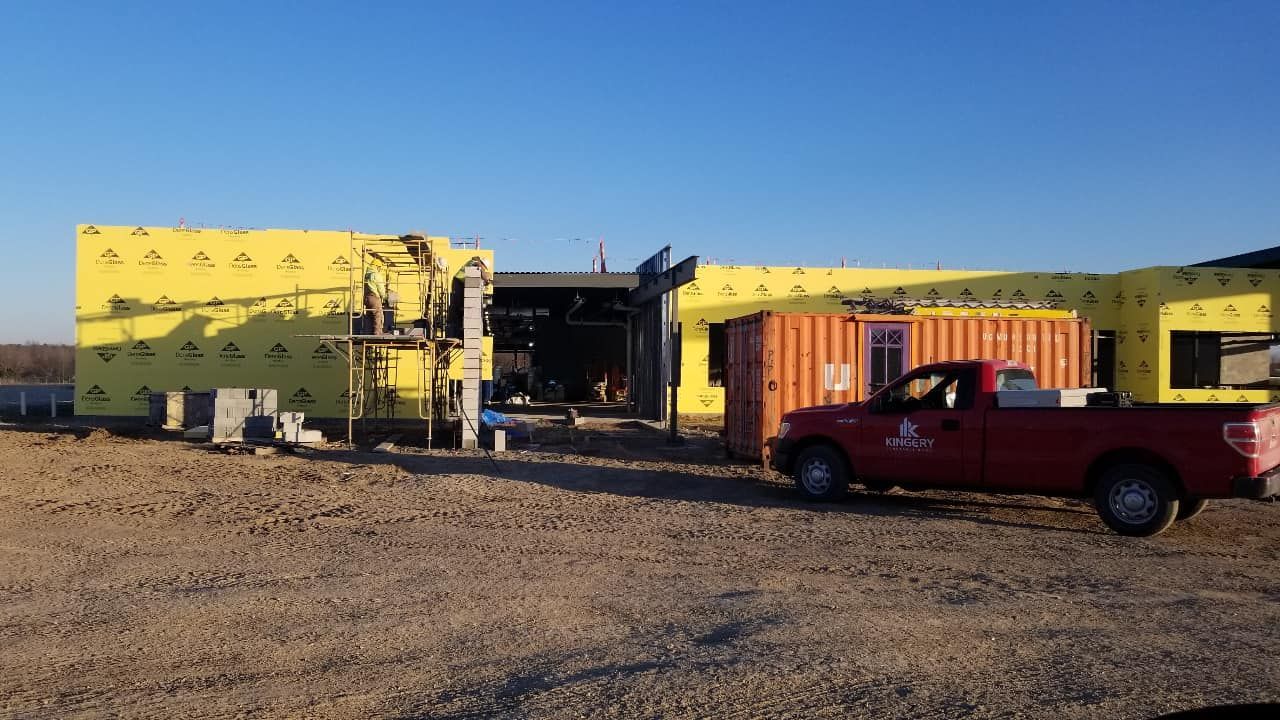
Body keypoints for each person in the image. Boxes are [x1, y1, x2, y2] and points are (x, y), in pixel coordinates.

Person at [364, 264, 386, 335]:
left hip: (367, 298)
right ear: (376, 266)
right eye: (379, 267)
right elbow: (381, 288)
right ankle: (377, 332)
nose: (380, 269)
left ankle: (368, 332)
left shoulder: (367, 275)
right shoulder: (376, 275)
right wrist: (384, 296)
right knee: (378, 315)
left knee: (369, 316)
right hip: (374, 297)